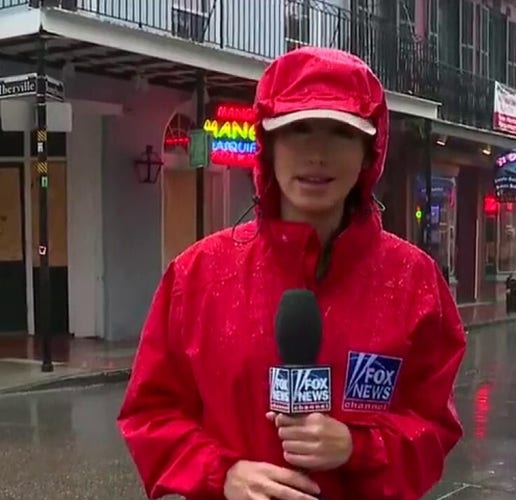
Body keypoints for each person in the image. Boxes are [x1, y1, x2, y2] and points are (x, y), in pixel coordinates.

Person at [118, 46, 467, 500]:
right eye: (298, 130)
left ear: (369, 152)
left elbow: (433, 427)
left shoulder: (414, 283)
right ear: (268, 145)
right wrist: (223, 474)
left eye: (340, 133)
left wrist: (359, 447)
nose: (317, 154)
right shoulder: (197, 276)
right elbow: (151, 414)